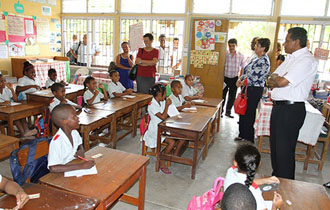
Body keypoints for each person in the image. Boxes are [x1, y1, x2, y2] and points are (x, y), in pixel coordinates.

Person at [267, 27, 318, 179]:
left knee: (284, 152)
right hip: (279, 108)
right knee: (275, 149)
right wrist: (277, 80)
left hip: (290, 110)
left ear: (296, 42)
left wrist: (277, 80)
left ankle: (286, 185)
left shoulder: (306, 60)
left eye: (287, 41)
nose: (284, 44)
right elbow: (271, 78)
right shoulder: (290, 59)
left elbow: (281, 81)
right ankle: (277, 180)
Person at [224, 143, 283, 210]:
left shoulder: (231, 171)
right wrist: (275, 206)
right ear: (259, 164)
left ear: (235, 162)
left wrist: (266, 180)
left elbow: (243, 181)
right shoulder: (254, 192)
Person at [143, 84, 184, 174]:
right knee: (172, 142)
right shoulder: (152, 104)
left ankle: (170, 155)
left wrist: (170, 108)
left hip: (163, 126)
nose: (165, 96)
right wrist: (167, 106)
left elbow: (168, 113)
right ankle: (162, 160)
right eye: (164, 94)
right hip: (155, 130)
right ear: (159, 94)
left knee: (179, 136)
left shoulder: (161, 102)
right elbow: (163, 116)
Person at [236, 38, 271, 143]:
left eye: (257, 45)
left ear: (263, 48)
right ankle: (241, 134)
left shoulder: (264, 61)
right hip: (247, 87)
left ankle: (248, 136)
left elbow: (256, 77)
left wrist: (242, 82)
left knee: (249, 112)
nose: (255, 47)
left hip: (254, 89)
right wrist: (240, 79)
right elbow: (246, 71)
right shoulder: (255, 58)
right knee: (243, 111)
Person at [48, 104, 95, 172]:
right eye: (75, 116)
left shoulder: (74, 133)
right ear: (64, 121)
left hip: (73, 167)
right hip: (61, 174)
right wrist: (81, 166)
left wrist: (80, 151)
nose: (78, 118)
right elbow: (53, 168)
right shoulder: (57, 141)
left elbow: (80, 145)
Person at [222, 38, 245, 118]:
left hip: (235, 78)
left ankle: (228, 112)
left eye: (233, 46)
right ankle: (220, 112)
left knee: (232, 96)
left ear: (236, 45)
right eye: (230, 46)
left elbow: (243, 67)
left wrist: (240, 78)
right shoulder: (225, 54)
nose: (231, 47)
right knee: (223, 95)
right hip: (225, 78)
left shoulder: (241, 55)